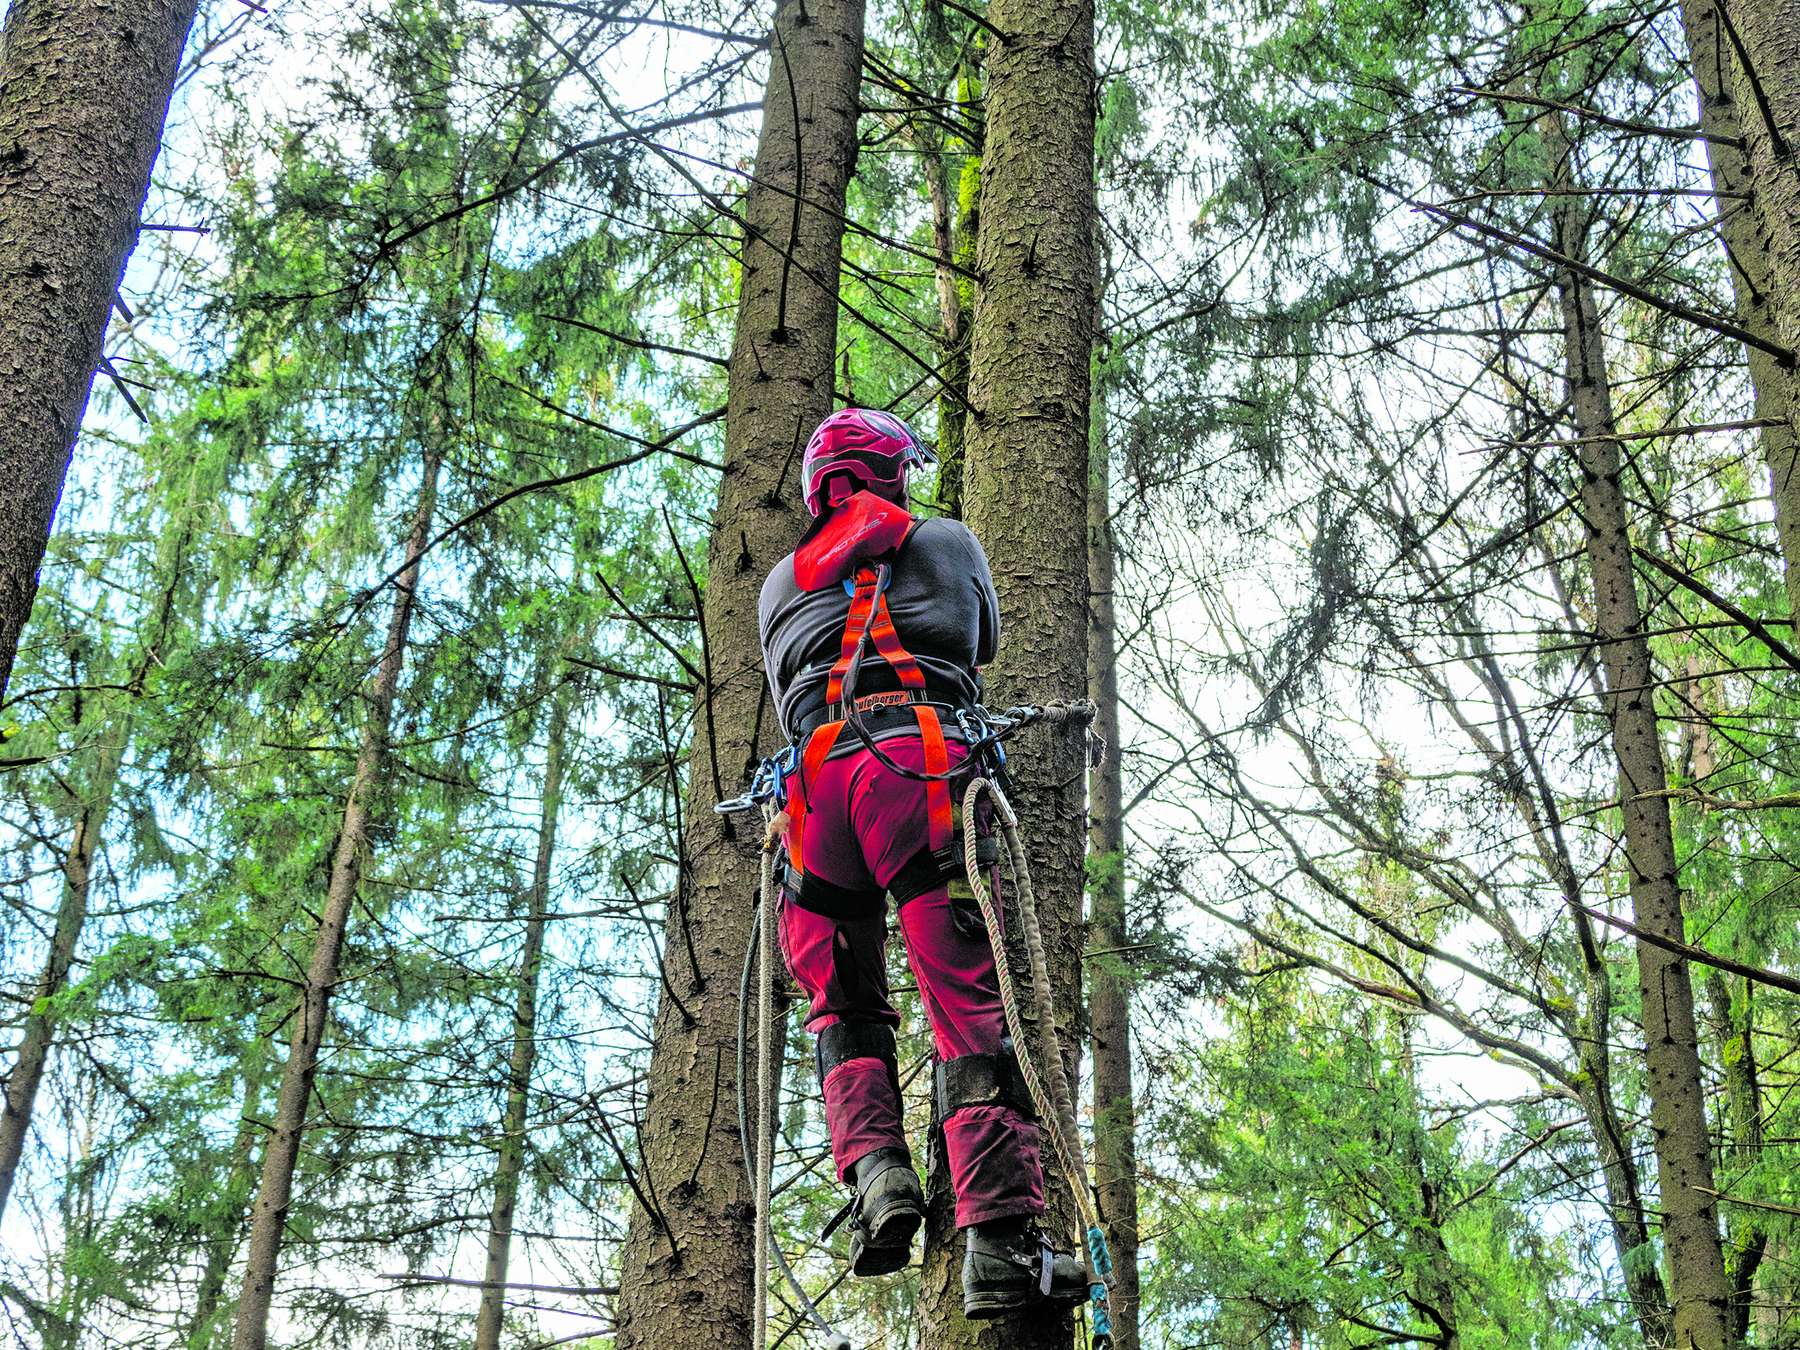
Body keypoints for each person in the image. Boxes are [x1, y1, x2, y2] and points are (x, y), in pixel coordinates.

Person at [757, 407, 1086, 1318]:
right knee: (968, 1006)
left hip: (814, 794)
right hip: (915, 768)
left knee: (843, 1006)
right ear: (894, 474)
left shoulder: (780, 583)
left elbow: (788, 686)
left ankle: (877, 1180)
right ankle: (1001, 1244)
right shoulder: (946, 544)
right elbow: (982, 644)